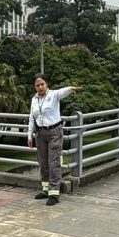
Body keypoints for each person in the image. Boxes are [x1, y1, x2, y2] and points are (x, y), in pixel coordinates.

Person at [27, 74, 80, 206]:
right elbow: (31, 118)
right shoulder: (34, 99)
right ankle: (45, 189)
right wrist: (29, 135)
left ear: (47, 84)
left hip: (54, 132)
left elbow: (63, 91)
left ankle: (54, 192)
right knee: (43, 162)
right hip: (40, 133)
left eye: (42, 84)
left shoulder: (53, 95)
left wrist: (70, 89)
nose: (40, 87)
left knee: (53, 162)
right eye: (37, 85)